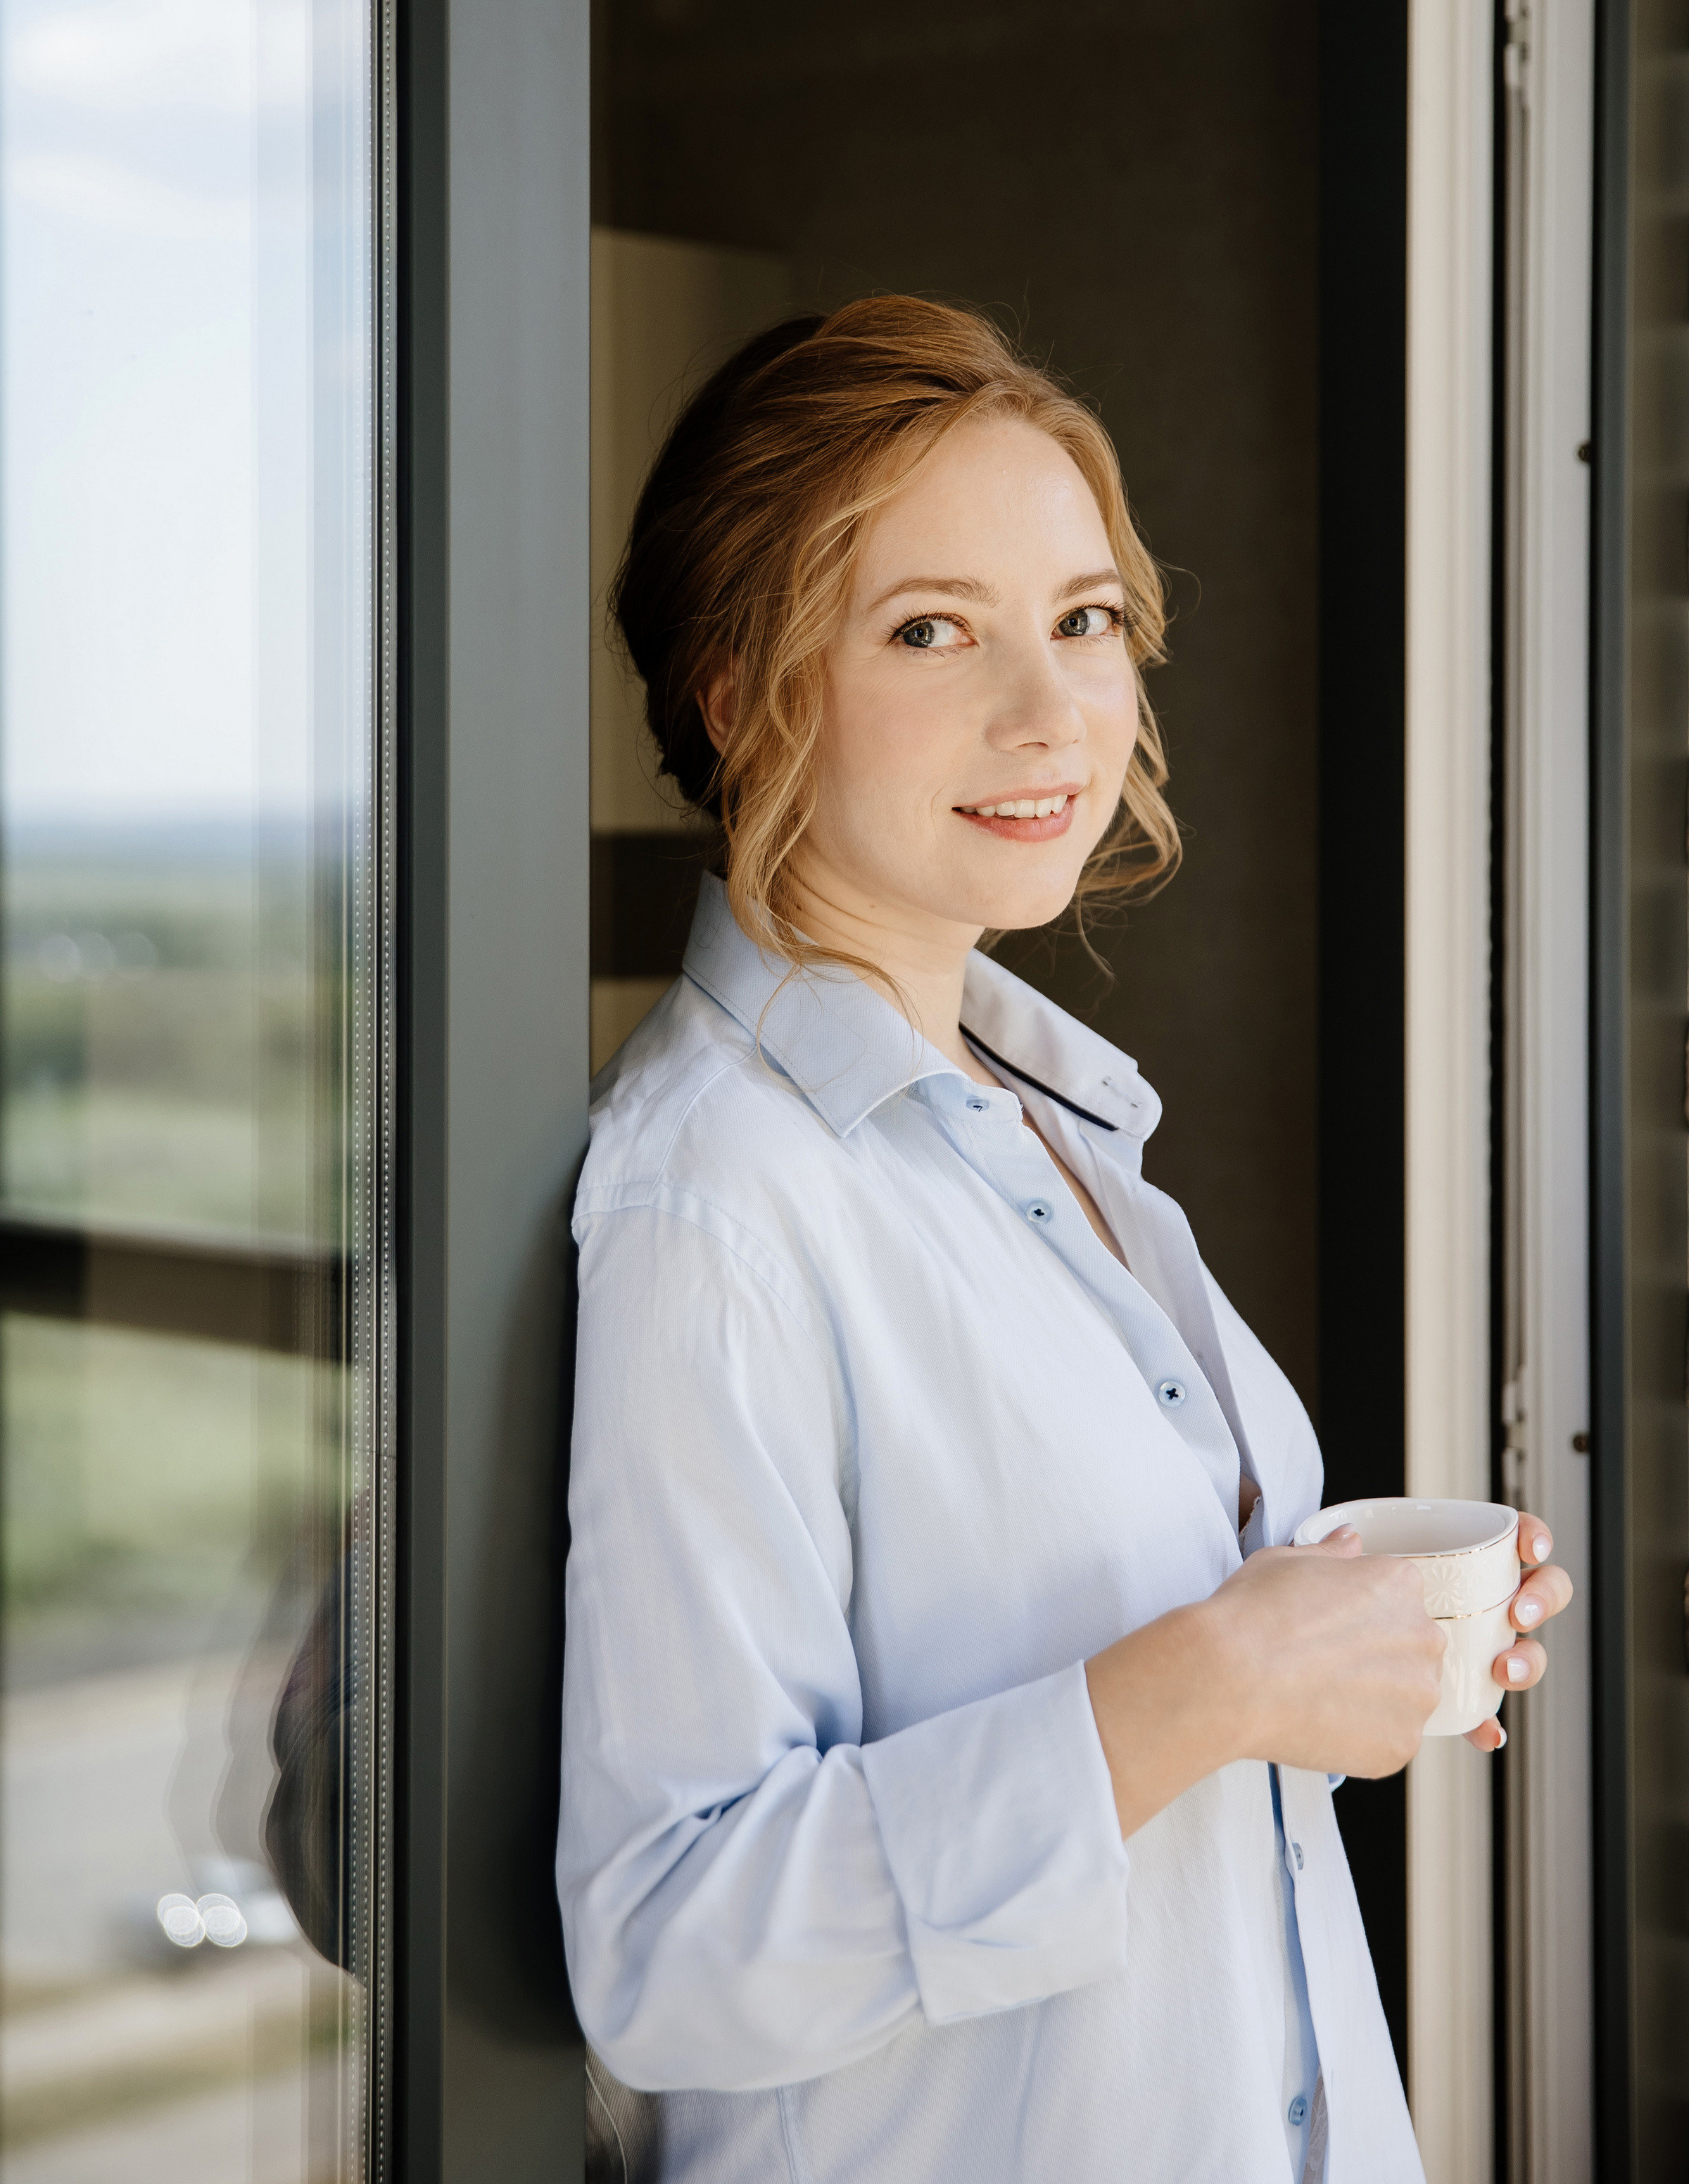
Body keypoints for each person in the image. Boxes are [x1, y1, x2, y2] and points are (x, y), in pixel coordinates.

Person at [557, 297, 1571, 2183]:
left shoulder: (1043, 1118)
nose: (1051, 713)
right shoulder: (722, 1202)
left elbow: (1118, 1680)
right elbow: (668, 1950)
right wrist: (1212, 1685)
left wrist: (1327, 1635)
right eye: (932, 629)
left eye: (1084, 621)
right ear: (735, 685)